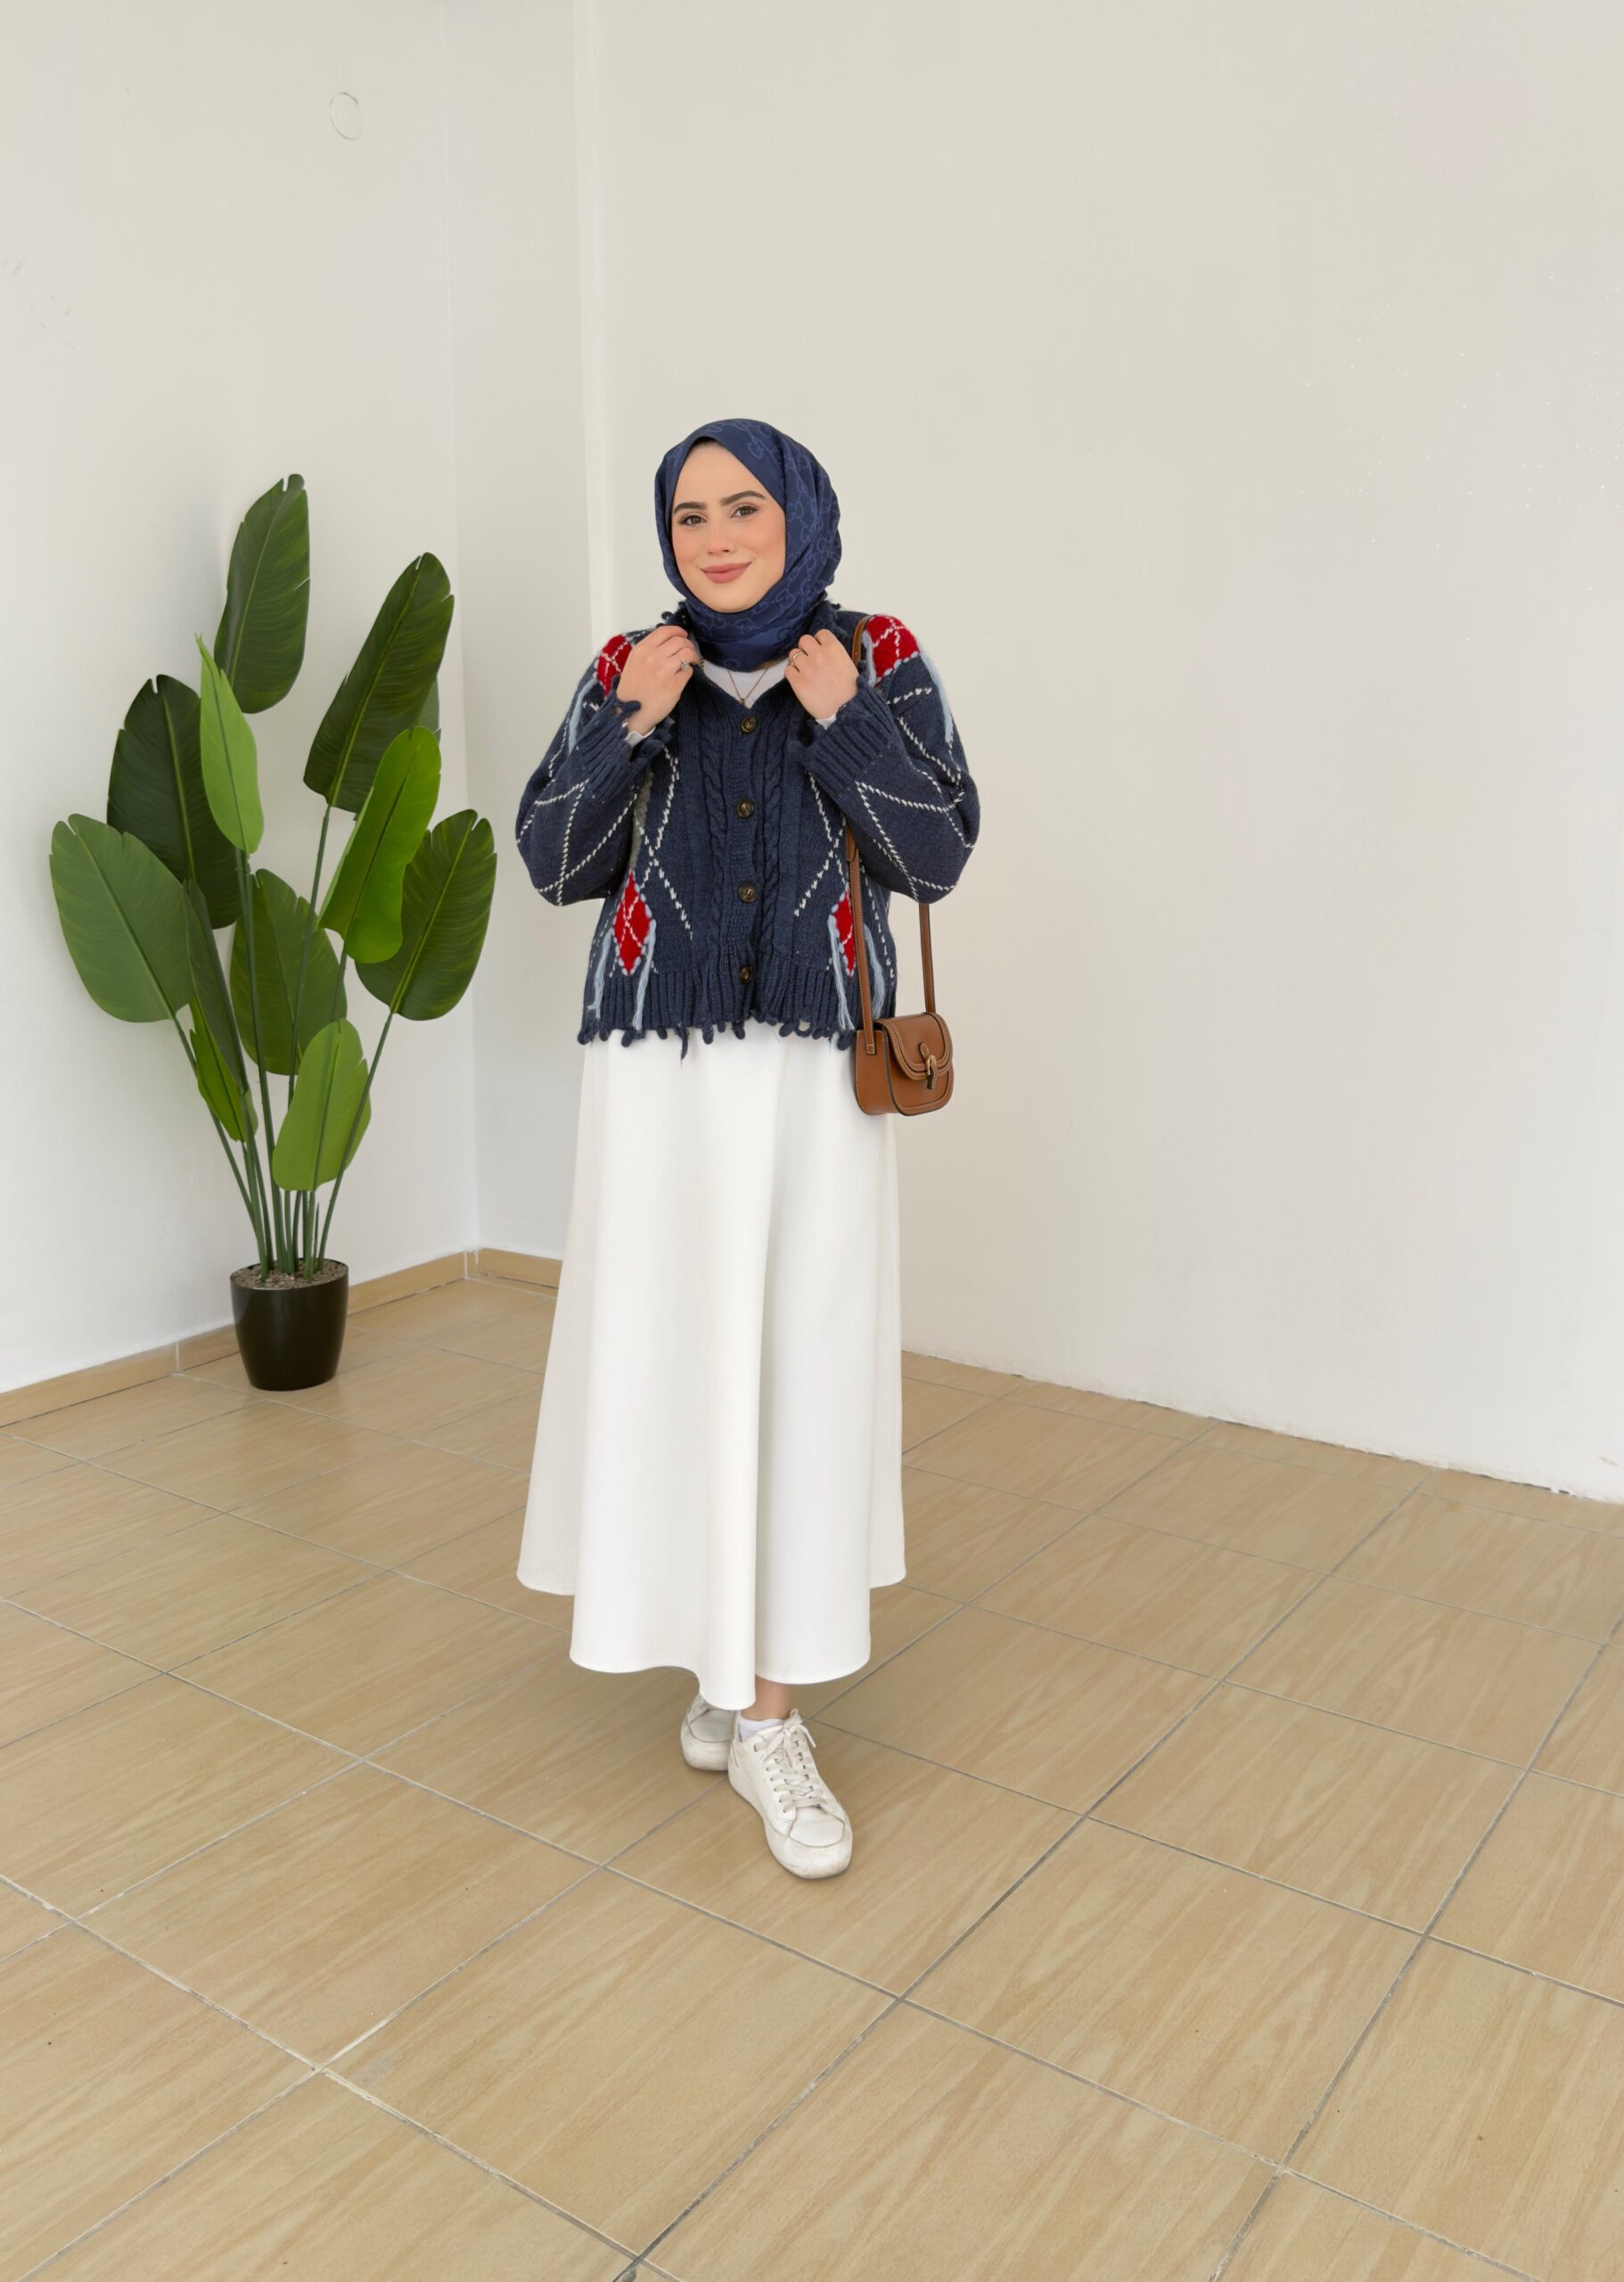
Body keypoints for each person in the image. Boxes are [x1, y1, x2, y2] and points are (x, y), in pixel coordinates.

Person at [513, 416, 980, 1878]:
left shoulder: (876, 654)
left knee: (793, 1359)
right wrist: (624, 726)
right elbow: (552, 862)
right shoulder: (628, 663)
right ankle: (726, 1672)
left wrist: (849, 725)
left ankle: (769, 1711)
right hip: (655, 1074)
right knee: (673, 1355)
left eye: (742, 508)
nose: (714, 539)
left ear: (798, 516)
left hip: (809, 1075)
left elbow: (938, 852)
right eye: (688, 515)